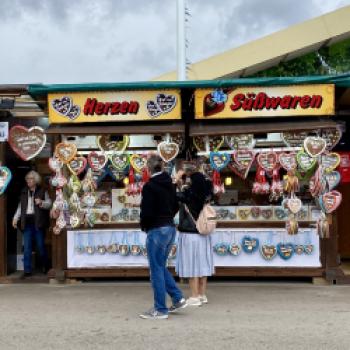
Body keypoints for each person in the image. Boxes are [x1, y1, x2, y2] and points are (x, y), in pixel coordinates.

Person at [139, 155, 187, 320]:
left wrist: (145, 226)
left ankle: (160, 309)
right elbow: (175, 205)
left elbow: (146, 212)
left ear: (148, 168)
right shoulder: (169, 183)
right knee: (160, 266)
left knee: (156, 269)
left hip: (156, 229)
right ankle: (177, 297)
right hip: (169, 227)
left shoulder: (149, 186)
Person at [175, 166, 214, 306]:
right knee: (203, 265)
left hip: (190, 235)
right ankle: (202, 294)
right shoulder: (207, 195)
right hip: (204, 234)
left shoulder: (188, 195)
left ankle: (194, 296)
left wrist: (177, 178)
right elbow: (209, 184)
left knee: (192, 266)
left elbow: (171, 193)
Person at [12, 170, 51, 278]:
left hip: (38, 222)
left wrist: (42, 203)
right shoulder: (24, 192)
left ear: (36, 180)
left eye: (31, 179)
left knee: (40, 246)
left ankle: (46, 266)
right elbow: (20, 207)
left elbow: (50, 204)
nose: (28, 181)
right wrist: (15, 218)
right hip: (27, 222)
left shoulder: (42, 191)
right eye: (27, 179)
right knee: (27, 247)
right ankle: (27, 270)